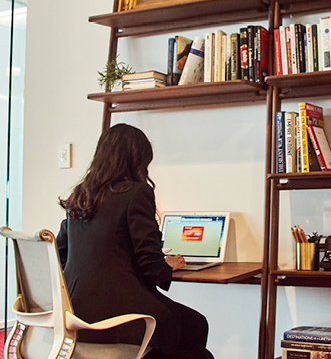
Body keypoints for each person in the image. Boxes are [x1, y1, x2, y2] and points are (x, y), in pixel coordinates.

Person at [56, 123, 214, 359]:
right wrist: (166, 265)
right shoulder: (137, 193)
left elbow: (61, 254)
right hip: (120, 316)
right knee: (198, 326)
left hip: (74, 316)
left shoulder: (80, 195)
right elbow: (150, 265)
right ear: (136, 161)